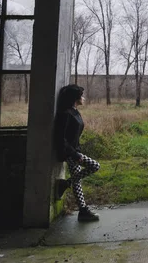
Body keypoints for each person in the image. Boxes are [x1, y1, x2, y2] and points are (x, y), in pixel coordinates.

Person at [54, 84, 101, 222]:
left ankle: (83, 211)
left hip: (75, 151)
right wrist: (75, 155)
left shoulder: (74, 111)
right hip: (70, 153)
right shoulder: (65, 114)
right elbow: (61, 139)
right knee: (95, 166)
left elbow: (74, 136)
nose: (83, 98)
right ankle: (65, 184)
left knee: (77, 181)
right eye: (81, 96)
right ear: (75, 98)